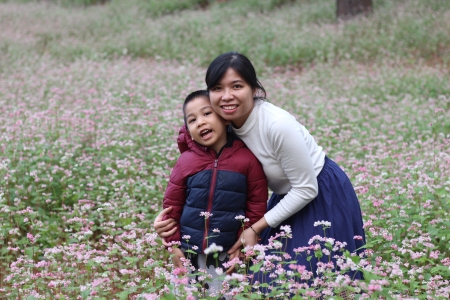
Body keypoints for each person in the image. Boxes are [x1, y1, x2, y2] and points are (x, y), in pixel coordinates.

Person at [155, 53, 366, 286]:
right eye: (217, 88)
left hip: (319, 193)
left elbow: (306, 189)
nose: (227, 96)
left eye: (237, 86)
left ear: (254, 89)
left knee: (306, 278)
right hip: (284, 198)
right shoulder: (223, 125)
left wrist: (254, 229)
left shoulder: (277, 124)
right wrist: (167, 224)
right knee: (261, 276)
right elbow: (206, 183)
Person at [160, 89, 268, 296]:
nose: (200, 122)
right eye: (192, 120)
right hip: (188, 252)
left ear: (225, 118)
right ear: (188, 130)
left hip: (227, 253)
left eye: (207, 113)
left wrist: (242, 245)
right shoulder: (186, 162)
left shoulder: (247, 159)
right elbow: (171, 209)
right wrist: (174, 249)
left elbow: (256, 206)